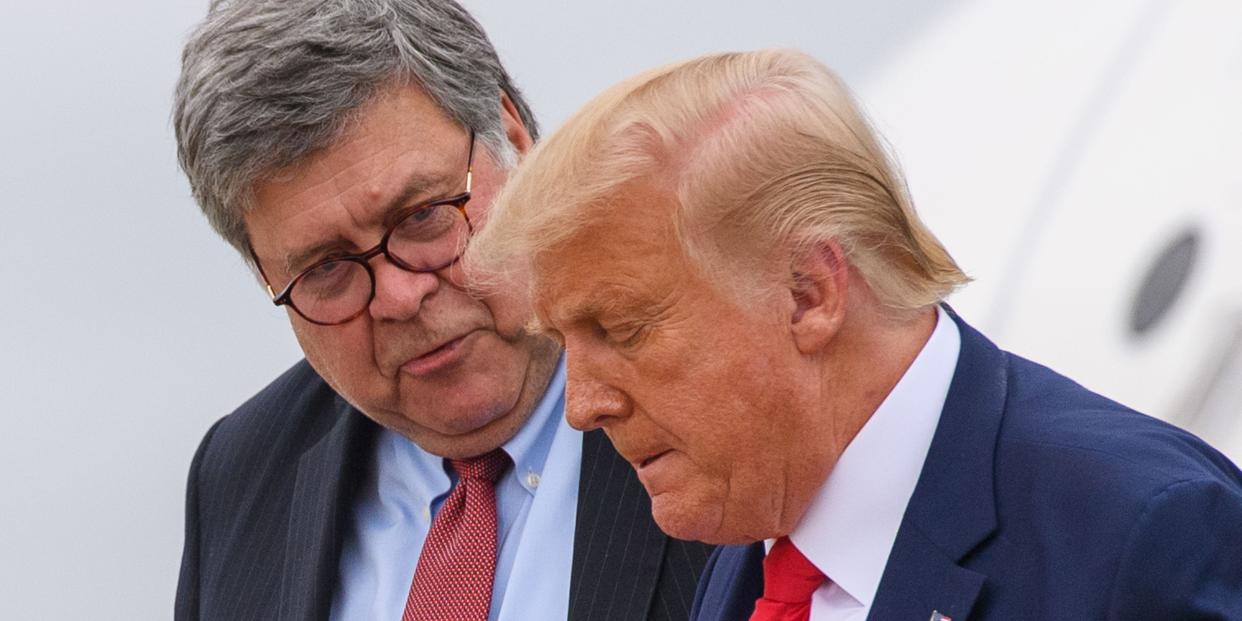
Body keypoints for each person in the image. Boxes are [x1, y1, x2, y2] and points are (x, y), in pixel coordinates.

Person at [464, 49, 1242, 620]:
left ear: (810, 292)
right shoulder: (751, 533)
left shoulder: (1139, 535)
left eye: (623, 328)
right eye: (564, 341)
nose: (581, 405)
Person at [171, 1, 712, 619]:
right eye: (326, 269)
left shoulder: (713, 374)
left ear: (513, 140)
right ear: (264, 274)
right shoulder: (243, 475)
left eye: (423, 216)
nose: (400, 299)